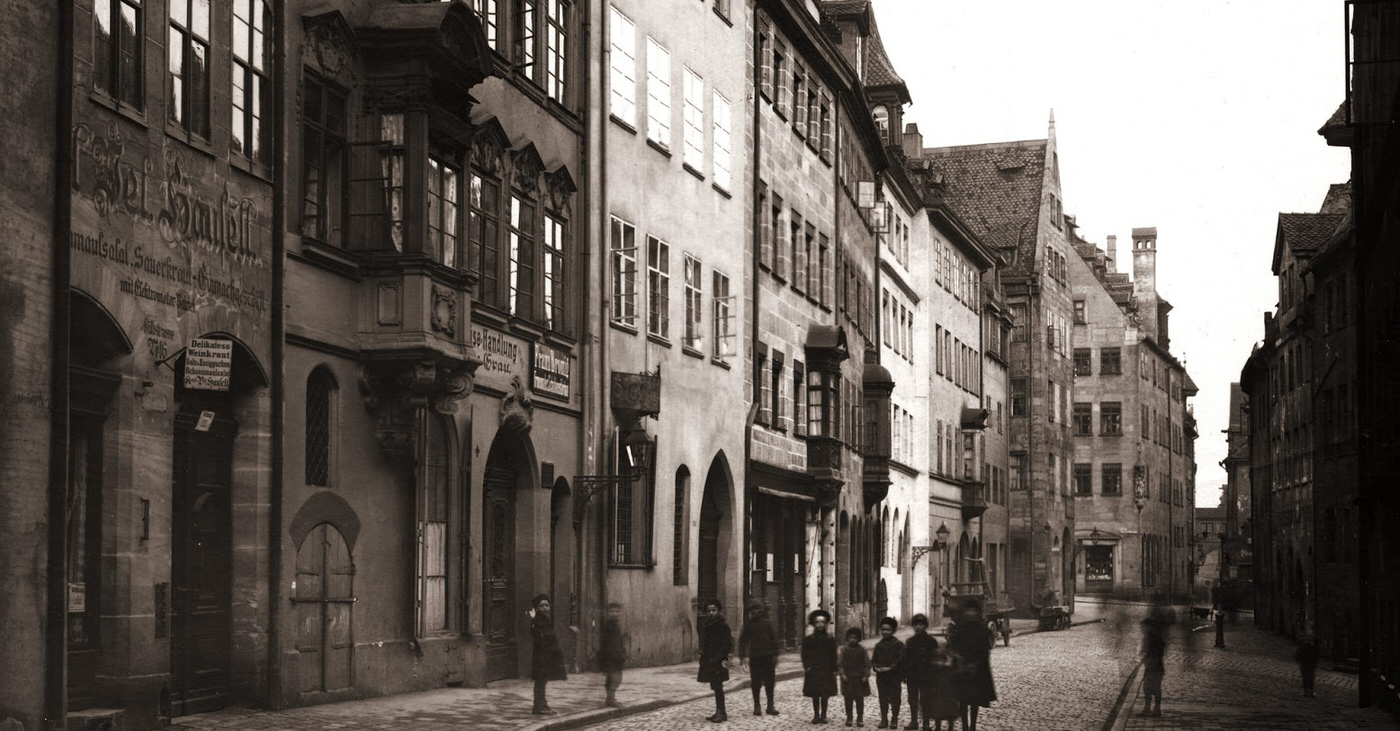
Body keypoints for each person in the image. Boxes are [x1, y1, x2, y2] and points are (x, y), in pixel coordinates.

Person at [947, 604, 997, 731]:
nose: (971, 614)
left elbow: (985, 650)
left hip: (977, 669)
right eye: (969, 611)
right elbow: (953, 646)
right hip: (961, 668)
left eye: (974, 611)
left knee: (974, 700)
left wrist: (975, 664)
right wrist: (959, 659)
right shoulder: (959, 628)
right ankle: (964, 725)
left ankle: (973, 725)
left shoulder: (982, 629)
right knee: (962, 699)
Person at [738, 599, 781, 716]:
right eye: (753, 610)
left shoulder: (768, 623)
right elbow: (743, 641)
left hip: (768, 657)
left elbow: (774, 639)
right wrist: (743, 657)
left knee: (770, 682)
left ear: (761, 610)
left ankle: (770, 705)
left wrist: (775, 654)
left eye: (757, 609)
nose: (755, 611)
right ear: (750, 612)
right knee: (755, 683)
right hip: (755, 657)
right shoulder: (748, 625)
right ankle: (757, 705)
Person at [697, 598, 734, 723]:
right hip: (710, 660)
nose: (711, 613)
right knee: (715, 686)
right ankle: (718, 711)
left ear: (719, 611)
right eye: (709, 611)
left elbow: (727, 645)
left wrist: (717, 659)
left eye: (714, 610)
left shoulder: (723, 626)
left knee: (718, 686)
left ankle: (722, 713)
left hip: (719, 660)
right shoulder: (708, 625)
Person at [529, 594, 567, 715]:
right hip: (542, 656)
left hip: (546, 655)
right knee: (541, 680)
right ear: (537, 608)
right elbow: (540, 637)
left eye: (547, 605)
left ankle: (542, 704)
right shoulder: (538, 620)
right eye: (542, 606)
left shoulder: (545, 619)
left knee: (543, 680)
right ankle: (539, 706)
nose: (545, 608)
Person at [803, 609, 840, 724]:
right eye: (817, 622)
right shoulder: (808, 640)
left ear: (826, 624)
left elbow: (834, 655)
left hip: (826, 669)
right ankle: (815, 715)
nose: (820, 624)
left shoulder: (830, 639)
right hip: (813, 669)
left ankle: (823, 715)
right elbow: (804, 654)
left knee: (825, 694)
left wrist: (834, 669)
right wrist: (807, 666)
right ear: (813, 624)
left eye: (822, 622)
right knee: (815, 693)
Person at [901, 614, 935, 730]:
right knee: (912, 699)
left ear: (925, 626)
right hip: (912, 675)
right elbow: (905, 659)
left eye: (921, 625)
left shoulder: (931, 642)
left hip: (927, 675)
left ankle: (926, 723)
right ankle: (914, 721)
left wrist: (933, 674)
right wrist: (904, 674)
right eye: (916, 625)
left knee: (926, 698)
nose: (918, 627)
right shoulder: (910, 642)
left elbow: (934, 659)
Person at [871, 617, 905, 729]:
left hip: (894, 676)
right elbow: (874, 660)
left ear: (893, 631)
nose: (885, 632)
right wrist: (876, 667)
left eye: (888, 630)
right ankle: (884, 718)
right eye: (883, 630)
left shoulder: (898, 645)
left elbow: (901, 659)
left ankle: (894, 718)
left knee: (895, 698)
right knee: (883, 697)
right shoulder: (878, 645)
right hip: (882, 677)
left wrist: (891, 668)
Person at [922, 639, 960, 731]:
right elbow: (930, 669)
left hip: (949, 687)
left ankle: (950, 726)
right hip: (938, 687)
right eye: (938, 647)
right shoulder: (934, 658)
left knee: (950, 707)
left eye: (943, 647)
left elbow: (956, 670)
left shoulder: (952, 657)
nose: (940, 649)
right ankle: (937, 726)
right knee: (937, 707)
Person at [839, 626, 872, 727]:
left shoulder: (862, 650)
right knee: (848, 699)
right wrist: (842, 674)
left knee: (859, 699)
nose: (853, 640)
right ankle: (849, 717)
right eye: (850, 638)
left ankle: (860, 717)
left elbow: (867, 664)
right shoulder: (844, 650)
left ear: (858, 639)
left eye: (855, 638)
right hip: (848, 679)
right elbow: (840, 664)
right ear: (847, 639)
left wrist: (866, 675)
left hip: (859, 678)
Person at [1139, 612, 1168, 717]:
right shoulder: (1152, 638)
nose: (1142, 629)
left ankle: (1153, 709)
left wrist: (1146, 656)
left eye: (1144, 627)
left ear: (1150, 627)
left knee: (1150, 687)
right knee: (1151, 687)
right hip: (1154, 666)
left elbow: (1153, 651)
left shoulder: (1152, 638)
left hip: (1154, 666)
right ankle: (1153, 708)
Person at [598, 601, 626, 708]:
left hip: (616, 657)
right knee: (614, 678)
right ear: (608, 613)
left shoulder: (615, 625)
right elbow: (607, 643)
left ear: (620, 613)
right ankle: (610, 699)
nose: (614, 613)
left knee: (616, 678)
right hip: (611, 657)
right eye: (612, 611)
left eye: (616, 611)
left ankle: (611, 698)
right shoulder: (609, 626)